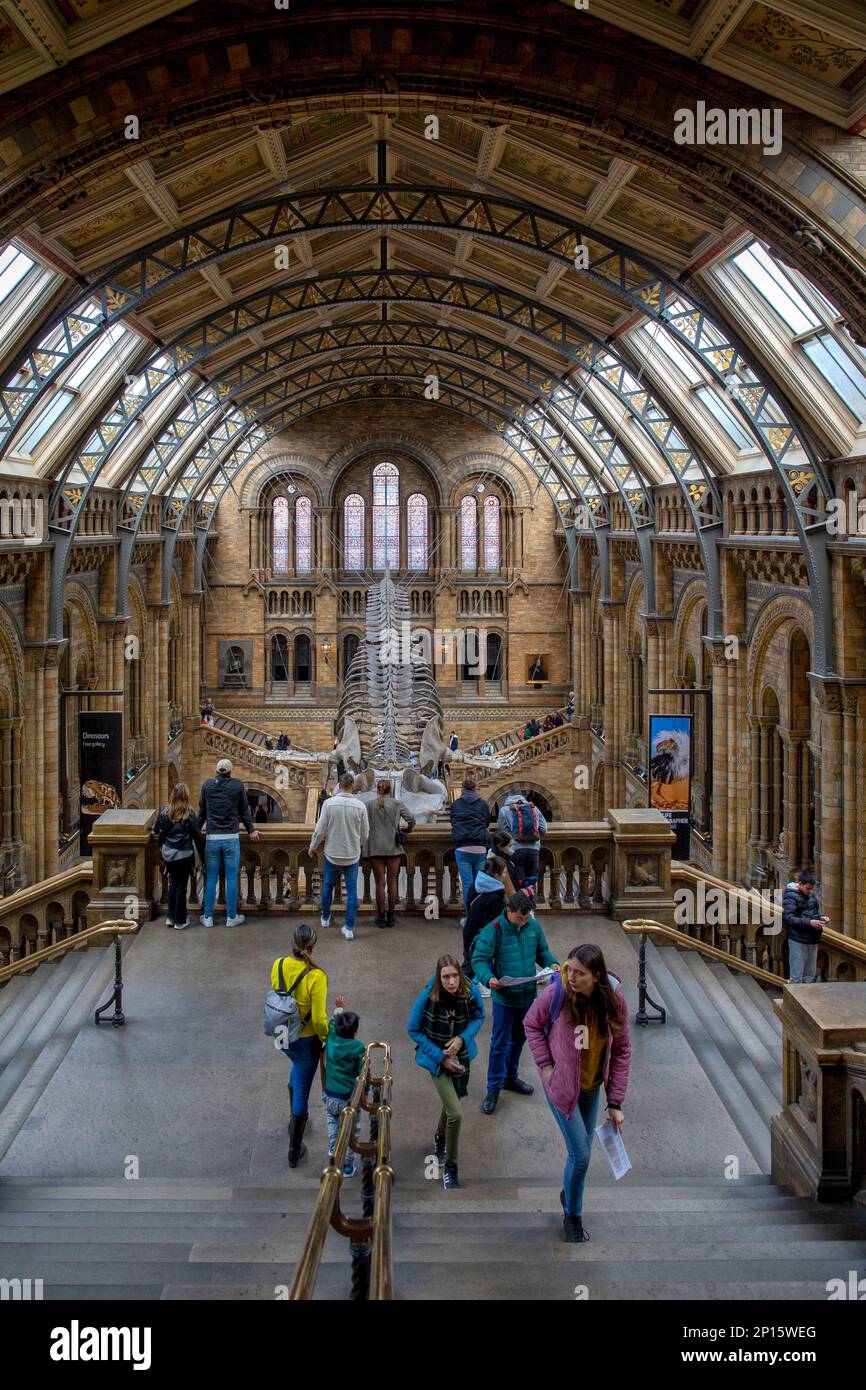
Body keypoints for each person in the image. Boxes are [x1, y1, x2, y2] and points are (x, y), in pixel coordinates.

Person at [524, 944, 631, 1243]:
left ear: (597, 976)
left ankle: (569, 1193)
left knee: (580, 1157)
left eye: (579, 973)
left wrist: (615, 1102)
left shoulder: (614, 1002)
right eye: (569, 969)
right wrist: (546, 1065)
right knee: (581, 1155)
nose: (570, 976)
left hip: (591, 1086)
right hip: (561, 1085)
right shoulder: (556, 994)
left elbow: (621, 1050)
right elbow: (531, 1023)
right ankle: (573, 1215)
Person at [471, 889, 558, 1114]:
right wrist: (488, 978)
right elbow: (478, 959)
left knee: (519, 1039)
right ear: (509, 912)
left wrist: (553, 963)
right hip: (504, 998)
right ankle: (493, 1089)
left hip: (528, 996)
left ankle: (511, 1077)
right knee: (499, 1044)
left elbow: (543, 952)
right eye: (520, 918)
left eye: (526, 918)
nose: (523, 922)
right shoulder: (494, 930)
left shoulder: (532, 927)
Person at [407, 955, 485, 1190]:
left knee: (451, 1103)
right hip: (437, 1061)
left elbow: (479, 1017)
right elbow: (413, 1029)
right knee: (456, 1114)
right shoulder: (428, 997)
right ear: (439, 979)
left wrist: (462, 1039)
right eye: (445, 977)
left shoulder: (470, 992)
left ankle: (440, 1138)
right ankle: (451, 1168)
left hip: (460, 1058)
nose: (451, 981)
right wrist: (442, 1057)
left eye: (454, 976)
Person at [272, 923, 328, 1167]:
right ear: (313, 947)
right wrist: (327, 1036)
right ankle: (294, 1148)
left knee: (295, 1068)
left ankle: (294, 1121)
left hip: (282, 1034)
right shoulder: (316, 976)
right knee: (303, 1088)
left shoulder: (279, 965)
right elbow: (318, 1019)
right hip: (305, 1040)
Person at [198, 757, 260, 927]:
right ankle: (231, 917)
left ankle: (208, 917)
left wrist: (195, 832)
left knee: (211, 878)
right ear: (230, 771)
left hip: (212, 838)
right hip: (231, 838)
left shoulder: (207, 785)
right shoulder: (237, 785)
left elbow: (202, 812)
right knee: (232, 877)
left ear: (217, 771)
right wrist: (251, 830)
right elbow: (244, 811)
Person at [309, 770, 369, 941]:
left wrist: (313, 846)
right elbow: (365, 833)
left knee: (327, 886)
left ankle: (325, 918)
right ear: (353, 786)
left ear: (339, 785)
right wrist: (358, 846)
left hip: (332, 854)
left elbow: (320, 830)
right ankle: (349, 928)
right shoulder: (360, 806)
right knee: (351, 892)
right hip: (351, 856)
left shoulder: (328, 804)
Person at [323, 995, 366, 1177]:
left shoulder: (331, 1040)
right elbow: (362, 1073)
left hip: (330, 1095)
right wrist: (365, 1092)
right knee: (349, 1131)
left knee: (332, 1121)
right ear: (355, 1032)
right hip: (348, 1099)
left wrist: (339, 1009)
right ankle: (347, 1166)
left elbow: (332, 1025)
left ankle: (333, 1148)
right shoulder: (358, 1047)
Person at [365, 778, 415, 928]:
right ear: (390, 789)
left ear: (377, 788)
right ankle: (391, 917)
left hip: (375, 847)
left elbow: (363, 823)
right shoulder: (397, 803)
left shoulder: (369, 805)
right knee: (392, 882)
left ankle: (380, 917)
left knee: (379, 883)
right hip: (393, 847)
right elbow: (411, 818)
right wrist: (407, 830)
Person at [153, 781, 204, 930]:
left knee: (172, 884)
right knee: (181, 886)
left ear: (173, 795)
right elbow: (197, 835)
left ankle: (170, 917)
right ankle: (180, 920)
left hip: (168, 854)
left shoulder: (164, 811)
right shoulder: (189, 813)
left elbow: (157, 830)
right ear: (186, 796)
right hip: (184, 854)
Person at [463, 854, 508, 987]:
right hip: (481, 936)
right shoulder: (497, 897)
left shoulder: (474, 885)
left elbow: (468, 905)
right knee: (474, 965)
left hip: (469, 931)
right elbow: (495, 924)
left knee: (469, 961)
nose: (506, 875)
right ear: (496, 874)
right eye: (504, 872)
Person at [449, 775, 492, 911]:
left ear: (462, 789)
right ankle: (479, 914)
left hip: (462, 847)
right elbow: (487, 822)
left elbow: (453, 821)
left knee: (467, 883)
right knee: (479, 883)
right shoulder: (483, 804)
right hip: (479, 846)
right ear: (475, 789)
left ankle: (470, 915)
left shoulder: (456, 804)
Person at [782, 869, 828, 984]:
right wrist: (809, 923)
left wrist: (821, 918)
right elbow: (788, 917)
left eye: (812, 889)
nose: (810, 891)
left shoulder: (811, 896)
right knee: (797, 975)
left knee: (810, 974)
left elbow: (813, 913)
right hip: (798, 938)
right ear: (800, 884)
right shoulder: (791, 896)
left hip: (812, 938)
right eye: (808, 888)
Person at [497, 791, 547, 890]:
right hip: (534, 850)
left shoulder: (504, 810)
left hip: (516, 850)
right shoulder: (534, 808)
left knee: (520, 884)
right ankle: (531, 903)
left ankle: (522, 902)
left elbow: (503, 832)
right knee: (531, 882)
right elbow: (544, 828)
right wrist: (534, 838)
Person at [490, 830, 518, 895]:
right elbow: (508, 888)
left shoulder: (506, 857)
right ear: (500, 847)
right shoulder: (497, 862)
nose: (513, 848)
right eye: (510, 846)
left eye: (513, 845)